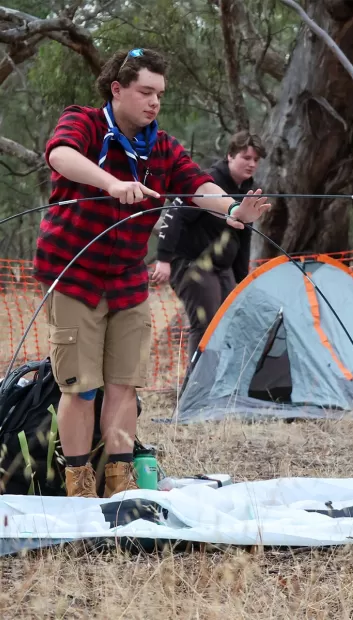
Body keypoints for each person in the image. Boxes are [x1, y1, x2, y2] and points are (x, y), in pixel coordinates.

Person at [33, 48, 269, 498]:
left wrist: (234, 208)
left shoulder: (161, 146)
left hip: (126, 279)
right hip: (74, 273)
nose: (154, 102)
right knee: (81, 389)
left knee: (124, 385)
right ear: (117, 90)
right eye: (145, 92)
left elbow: (198, 185)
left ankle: (121, 485)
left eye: (159, 93)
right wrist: (110, 182)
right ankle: (79, 487)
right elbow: (60, 155)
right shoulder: (82, 121)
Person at [151, 132, 266, 373]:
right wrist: (163, 259)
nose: (252, 164)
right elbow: (174, 216)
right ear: (230, 155)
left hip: (221, 267)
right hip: (191, 262)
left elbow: (243, 237)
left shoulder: (249, 190)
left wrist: (241, 281)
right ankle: (195, 396)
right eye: (246, 157)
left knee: (230, 322)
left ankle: (220, 390)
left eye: (256, 159)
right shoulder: (209, 181)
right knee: (207, 324)